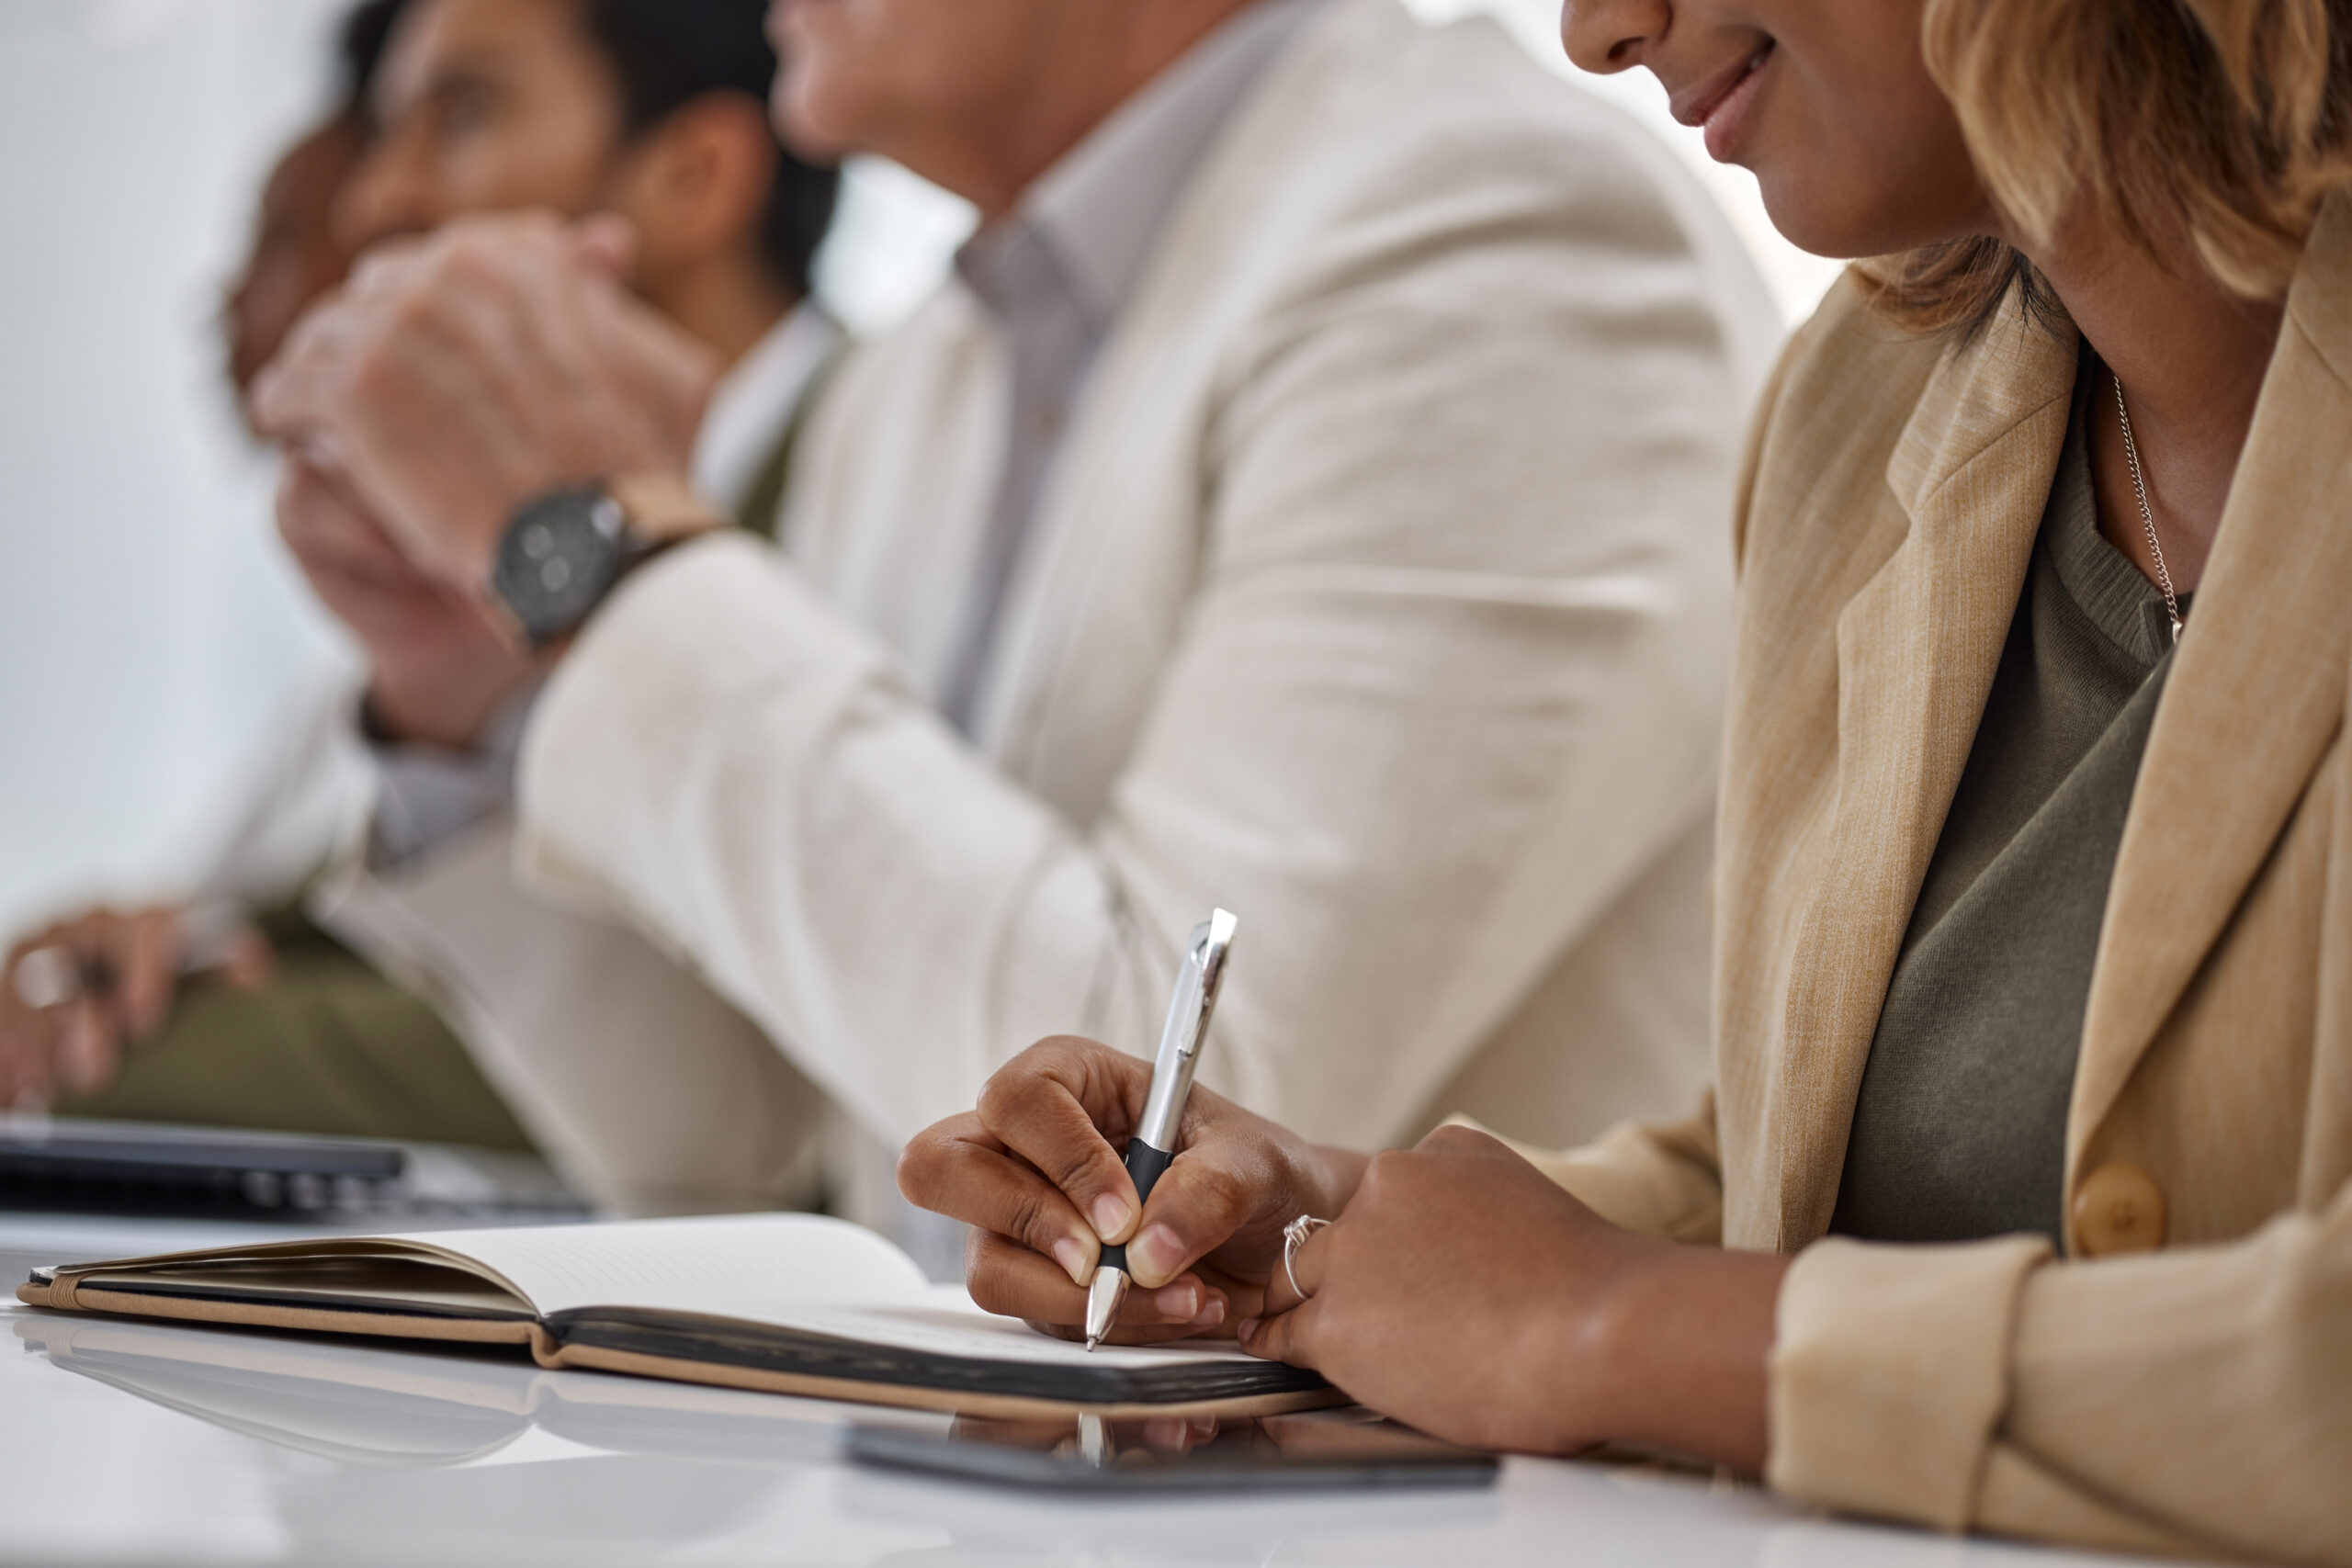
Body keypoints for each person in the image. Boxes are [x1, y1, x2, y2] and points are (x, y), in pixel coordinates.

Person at [895, 0, 2352, 1560]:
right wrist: (1316, 1239)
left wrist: (1612, 1328)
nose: (1597, 32)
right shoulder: (1862, 413)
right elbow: (1833, 1176)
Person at [248, 0, 1781, 1242]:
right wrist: (473, 687)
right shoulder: (919, 372)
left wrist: (600, 553)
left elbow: (1160, 1134)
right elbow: (733, 1144)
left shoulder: (1493, 229)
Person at [1, 0, 845, 1210]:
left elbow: (681, 1075)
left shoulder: (870, 468)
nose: (375, 207)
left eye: (461, 115)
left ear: (691, 175)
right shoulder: (466, 569)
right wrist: (153, 961)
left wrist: (92, 1062)